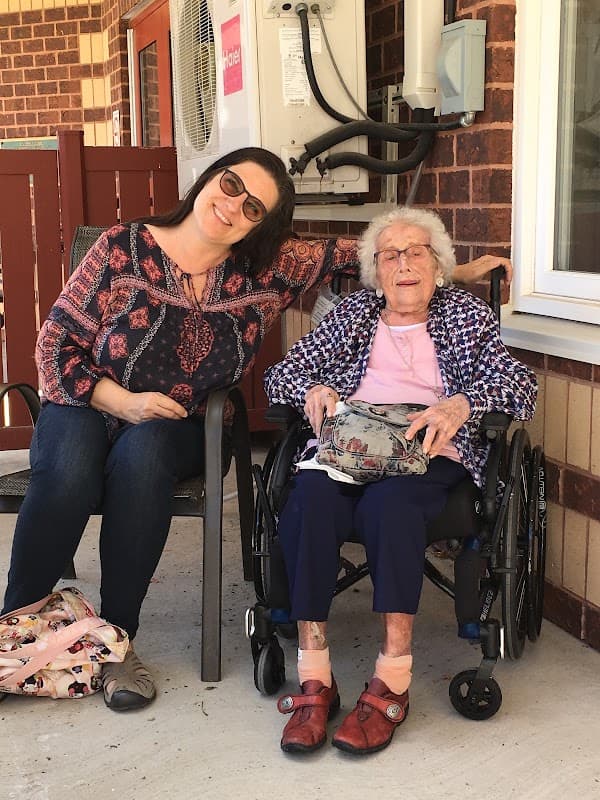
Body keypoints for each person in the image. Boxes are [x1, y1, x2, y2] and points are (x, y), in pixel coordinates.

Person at [1, 145, 512, 713]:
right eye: (231, 185)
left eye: (253, 208)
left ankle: (118, 641)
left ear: (260, 226)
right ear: (207, 180)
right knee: (68, 471)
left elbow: (371, 255)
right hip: (88, 398)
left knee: (143, 459)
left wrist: (454, 271)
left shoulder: (266, 267)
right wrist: (123, 401)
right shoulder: (123, 246)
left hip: (178, 422)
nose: (234, 206)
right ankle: (11, 638)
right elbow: (54, 343)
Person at [264, 206, 537, 755]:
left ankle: (391, 679)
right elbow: (281, 374)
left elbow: (520, 384)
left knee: (389, 507)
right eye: (390, 255)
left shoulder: (465, 315)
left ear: (438, 265)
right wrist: (313, 389)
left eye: (416, 252)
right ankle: (315, 678)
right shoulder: (351, 314)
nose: (404, 264)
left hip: (428, 450)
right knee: (310, 497)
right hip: (350, 446)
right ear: (376, 270)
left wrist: (462, 403)